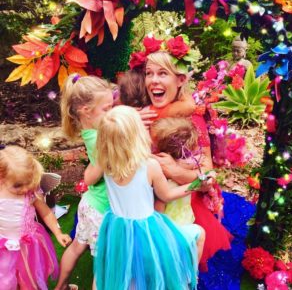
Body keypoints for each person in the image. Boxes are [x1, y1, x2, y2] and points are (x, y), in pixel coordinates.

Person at [141, 45, 233, 271]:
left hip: (180, 204)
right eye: (149, 73)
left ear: (180, 80)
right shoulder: (142, 114)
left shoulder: (193, 120)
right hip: (144, 202)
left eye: (162, 73)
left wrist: (174, 170)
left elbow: (208, 176)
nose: (154, 80)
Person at [91, 105, 203, 289]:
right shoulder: (148, 165)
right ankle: (187, 280)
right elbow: (165, 195)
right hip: (146, 230)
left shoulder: (106, 162)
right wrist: (196, 184)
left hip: (117, 229)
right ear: (138, 135)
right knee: (197, 233)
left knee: (121, 269)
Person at [55, 73, 114, 290]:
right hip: (100, 208)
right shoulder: (101, 138)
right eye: (107, 109)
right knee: (103, 264)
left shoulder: (92, 130)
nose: (112, 113)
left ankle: (60, 286)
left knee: (77, 248)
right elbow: (94, 174)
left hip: (90, 203)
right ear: (86, 110)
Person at [0, 145, 71, 290]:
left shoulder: (30, 193)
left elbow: (45, 212)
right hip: (4, 249)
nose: (26, 188)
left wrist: (58, 232)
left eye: (29, 181)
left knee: (30, 280)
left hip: (29, 247)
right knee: (6, 282)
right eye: (18, 185)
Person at [150, 117, 223, 224]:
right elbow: (158, 215)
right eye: (194, 153)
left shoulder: (168, 176)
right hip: (179, 224)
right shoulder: (170, 181)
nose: (199, 157)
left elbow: (208, 174)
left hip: (178, 222)